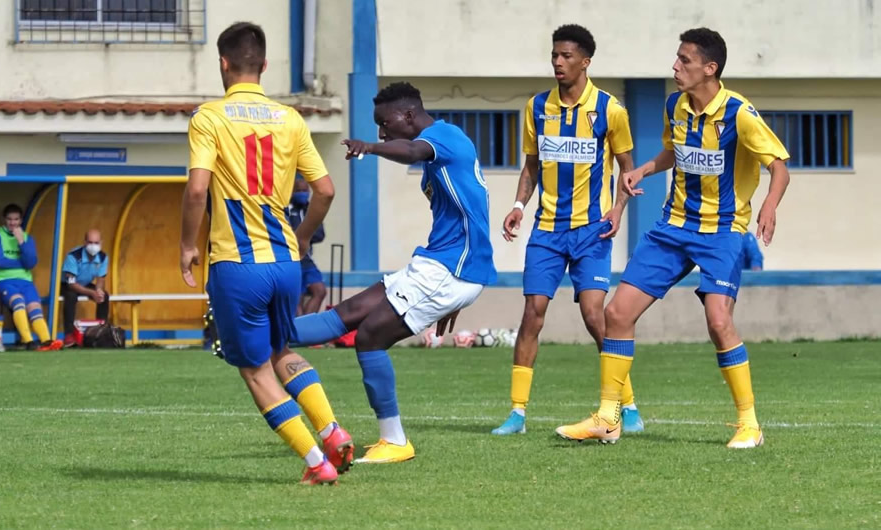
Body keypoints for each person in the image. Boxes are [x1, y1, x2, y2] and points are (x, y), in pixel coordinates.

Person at [557, 28, 790, 449]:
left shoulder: (738, 113)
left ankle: (749, 424)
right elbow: (675, 151)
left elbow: (779, 168)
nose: (675, 66)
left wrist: (769, 206)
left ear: (709, 68)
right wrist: (644, 169)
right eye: (677, 58)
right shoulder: (674, 106)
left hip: (721, 231)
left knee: (719, 323)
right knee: (617, 314)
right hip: (673, 227)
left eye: (684, 60)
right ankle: (609, 418)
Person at [179, 21, 349, 485]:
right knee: (279, 350)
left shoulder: (209, 118)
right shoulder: (290, 119)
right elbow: (326, 190)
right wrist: (304, 235)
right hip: (285, 264)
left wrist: (187, 245)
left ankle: (317, 463)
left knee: (254, 371)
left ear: (223, 63)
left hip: (238, 265)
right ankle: (332, 431)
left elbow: (197, 191)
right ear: (265, 65)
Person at [295, 81, 498, 463]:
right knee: (349, 314)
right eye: (376, 129)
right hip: (440, 266)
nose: (382, 132)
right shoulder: (443, 151)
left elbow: (412, 150)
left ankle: (395, 441)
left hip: (448, 270)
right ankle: (261, 333)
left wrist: (370, 148)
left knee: (369, 337)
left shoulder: (445, 137)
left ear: (408, 115)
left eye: (384, 124)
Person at [494, 24, 642, 436]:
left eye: (566, 56)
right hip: (546, 231)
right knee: (532, 315)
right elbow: (531, 165)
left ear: (585, 61)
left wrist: (617, 210)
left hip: (591, 230)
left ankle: (625, 404)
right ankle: (517, 413)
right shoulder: (537, 107)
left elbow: (628, 169)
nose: (558, 62)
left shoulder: (610, 110)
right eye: (555, 55)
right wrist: (518, 205)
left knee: (596, 316)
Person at [0, 204, 63, 351]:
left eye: (16, 219)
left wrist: (21, 242)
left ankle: (46, 340)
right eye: (9, 219)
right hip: (3, 280)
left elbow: (31, 262)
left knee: (35, 308)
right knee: (18, 303)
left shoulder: (27, 238)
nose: (12, 223)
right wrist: (22, 262)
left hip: (25, 281)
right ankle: (28, 341)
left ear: (21, 220)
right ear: (4, 219)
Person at [61, 229, 110, 348]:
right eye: (90, 242)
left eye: (96, 243)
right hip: (68, 285)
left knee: (104, 295)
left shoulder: (103, 257)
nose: (93, 246)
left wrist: (98, 291)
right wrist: (91, 293)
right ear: (84, 242)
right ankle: (69, 335)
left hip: (86, 283)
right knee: (71, 296)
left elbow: (100, 279)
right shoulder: (73, 256)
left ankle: (101, 331)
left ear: (101, 243)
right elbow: (71, 284)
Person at [286, 176, 327, 315]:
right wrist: (304, 234)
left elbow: (320, 234)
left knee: (320, 290)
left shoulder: (311, 209)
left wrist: (303, 235)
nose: (302, 193)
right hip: (292, 260)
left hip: (307, 261)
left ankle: (307, 326)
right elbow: (287, 233)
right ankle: (298, 331)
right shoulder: (287, 209)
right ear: (292, 191)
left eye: (305, 190)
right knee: (297, 299)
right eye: (299, 190)